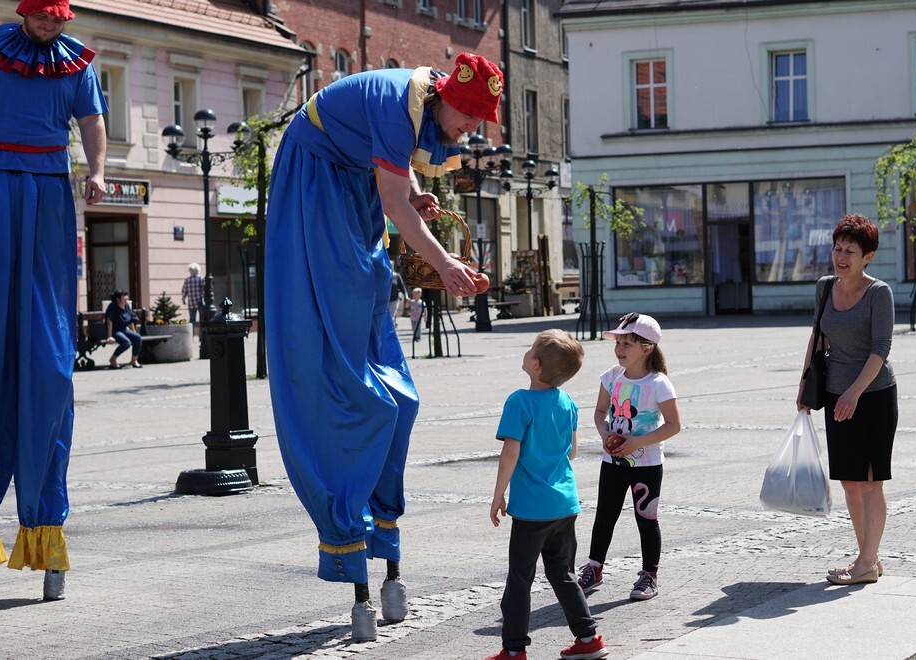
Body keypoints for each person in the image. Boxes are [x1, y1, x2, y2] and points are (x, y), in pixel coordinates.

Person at [264, 52, 501, 640]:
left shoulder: (421, 104)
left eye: (476, 121)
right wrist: (444, 263)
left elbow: (397, 184)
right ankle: (347, 403)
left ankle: (373, 412)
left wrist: (416, 193)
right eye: (466, 118)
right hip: (317, 175)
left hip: (350, 180)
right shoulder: (402, 106)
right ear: (445, 97)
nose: (468, 130)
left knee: (370, 286)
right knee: (347, 286)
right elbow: (394, 205)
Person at [0, 0, 107, 601]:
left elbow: (91, 121)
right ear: (25, 14)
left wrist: (97, 168)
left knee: (45, 364)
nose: (50, 26)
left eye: (58, 17)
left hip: (46, 188)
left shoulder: (75, 63)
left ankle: (45, 539)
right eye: (42, 16)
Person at [485, 329, 609, 660]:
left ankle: (513, 651)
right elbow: (572, 452)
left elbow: (510, 453)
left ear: (535, 365)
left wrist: (499, 495)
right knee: (563, 575)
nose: (525, 352)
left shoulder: (519, 402)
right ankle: (588, 639)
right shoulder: (567, 402)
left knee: (520, 580)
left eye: (530, 349)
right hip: (565, 505)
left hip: (532, 511)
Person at [797, 213, 897, 586]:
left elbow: (880, 349)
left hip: (872, 395)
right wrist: (805, 385)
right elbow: (817, 338)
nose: (841, 257)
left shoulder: (878, 293)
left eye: (849, 251)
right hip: (836, 394)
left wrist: (854, 393)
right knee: (849, 482)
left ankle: (866, 562)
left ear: (867, 256)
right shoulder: (825, 287)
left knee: (870, 481)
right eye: (837, 248)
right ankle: (866, 557)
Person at [577, 313, 681, 602]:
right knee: (604, 515)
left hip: (647, 465)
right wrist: (604, 434)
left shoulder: (659, 383)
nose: (619, 348)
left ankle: (649, 574)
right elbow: (600, 413)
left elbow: (673, 425)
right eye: (618, 342)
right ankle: (595, 567)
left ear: (647, 347)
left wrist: (637, 441)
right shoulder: (610, 377)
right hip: (612, 463)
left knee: (646, 518)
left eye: (626, 343)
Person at [104, 290, 143, 369]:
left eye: (126, 295)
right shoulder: (113, 306)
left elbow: (130, 320)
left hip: (124, 329)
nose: (126, 297)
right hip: (115, 331)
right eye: (124, 296)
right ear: (118, 299)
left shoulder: (127, 306)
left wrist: (134, 333)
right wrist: (109, 336)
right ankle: (113, 359)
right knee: (126, 342)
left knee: (137, 337)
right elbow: (109, 320)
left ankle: (134, 360)